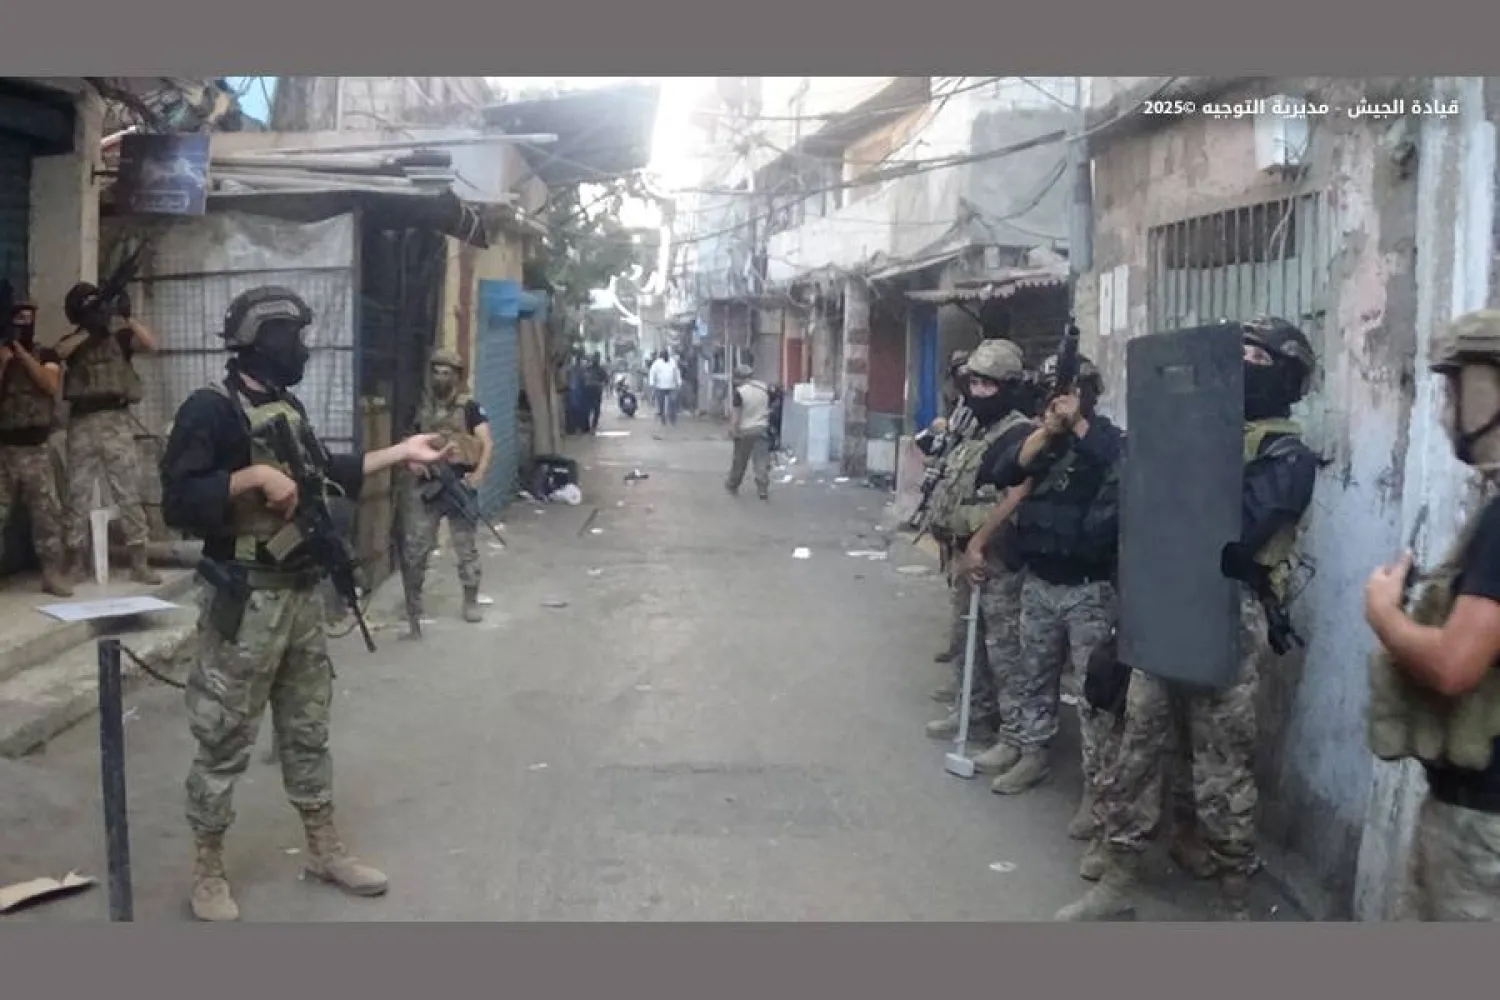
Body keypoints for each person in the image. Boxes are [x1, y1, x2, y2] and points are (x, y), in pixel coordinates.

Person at [159, 285, 450, 922]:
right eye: (295, 337)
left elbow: (325, 474)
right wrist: (252, 477)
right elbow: (179, 500)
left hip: (298, 599)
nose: (305, 349)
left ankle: (323, 848)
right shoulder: (211, 410)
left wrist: (402, 453)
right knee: (224, 738)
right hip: (246, 604)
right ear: (265, 340)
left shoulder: (286, 408)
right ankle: (207, 869)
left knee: (308, 732)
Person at [1059, 317, 1319, 922]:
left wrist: (1180, 459)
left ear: (1287, 376)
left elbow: (1233, 530)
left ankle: (1234, 896)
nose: (1245, 362)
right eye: (1241, 352)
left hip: (1231, 609)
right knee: (1138, 743)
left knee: (1221, 766)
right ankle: (1120, 874)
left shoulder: (1286, 455)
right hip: (1166, 598)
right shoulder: (1195, 433)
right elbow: (1136, 498)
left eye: (1259, 355)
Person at [1364, 309, 1500, 922]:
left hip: (1483, 826)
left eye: (1455, 388)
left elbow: (1454, 667)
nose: (1448, 409)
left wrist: (1384, 615)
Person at [976, 352, 1125, 803]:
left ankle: (1096, 796)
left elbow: (1119, 469)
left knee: (1093, 695)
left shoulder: (1109, 440)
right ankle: (1030, 752)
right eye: (1056, 393)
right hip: (1039, 582)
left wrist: (1078, 424)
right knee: (1032, 676)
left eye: (1072, 393)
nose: (1061, 400)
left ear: (1090, 396)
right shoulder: (1044, 441)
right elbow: (1002, 471)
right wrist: (1047, 431)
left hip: (1088, 589)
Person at [922, 339, 1036, 752]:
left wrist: (980, 545)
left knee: (1003, 651)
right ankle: (972, 711)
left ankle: (1013, 736)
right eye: (976, 383)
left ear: (1007, 387)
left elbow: (1016, 496)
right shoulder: (974, 426)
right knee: (967, 640)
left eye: (990, 385)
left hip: (997, 557)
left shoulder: (1021, 432)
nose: (979, 392)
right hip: (966, 551)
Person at [55, 281, 162, 585]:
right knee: (77, 494)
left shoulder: (121, 338)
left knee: (128, 490)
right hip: (82, 422)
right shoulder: (75, 340)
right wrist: (89, 329)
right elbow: (59, 352)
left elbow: (151, 345)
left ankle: (139, 561)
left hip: (116, 419)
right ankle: (75, 560)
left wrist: (126, 317)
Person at [400, 347, 494, 634]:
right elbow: (406, 443)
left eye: (447, 373)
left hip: (458, 485)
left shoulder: (470, 407)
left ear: (457, 376)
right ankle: (413, 609)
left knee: (466, 549)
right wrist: (414, 463)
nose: (441, 378)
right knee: (416, 549)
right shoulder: (420, 407)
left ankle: (470, 600)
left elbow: (487, 444)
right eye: (436, 372)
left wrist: (477, 476)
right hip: (427, 487)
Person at [0, 301, 71, 595]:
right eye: (17, 319)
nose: (23, 323)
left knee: (47, 516)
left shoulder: (46, 354)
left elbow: (50, 384)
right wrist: (4, 361)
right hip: (4, 450)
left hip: (37, 448)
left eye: (28, 319)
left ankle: (51, 574)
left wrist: (20, 352)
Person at [725, 365, 772, 501]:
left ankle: (733, 484)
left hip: (744, 431)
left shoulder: (740, 392)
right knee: (761, 461)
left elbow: (736, 414)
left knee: (740, 460)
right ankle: (762, 488)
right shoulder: (764, 389)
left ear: (740, 378)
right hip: (762, 428)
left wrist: (733, 430)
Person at [649, 350, 681, 426]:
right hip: (660, 386)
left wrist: (679, 382)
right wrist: (652, 383)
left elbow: (677, 372)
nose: (666, 357)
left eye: (667, 356)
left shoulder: (672, 362)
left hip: (671, 386)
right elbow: (652, 372)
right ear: (662, 356)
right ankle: (662, 417)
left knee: (672, 402)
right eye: (664, 356)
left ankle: (673, 419)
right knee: (661, 403)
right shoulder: (657, 363)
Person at [583, 352, 608, 433]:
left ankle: (593, 427)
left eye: (597, 358)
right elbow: (583, 379)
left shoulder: (601, 370)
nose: (595, 359)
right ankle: (587, 427)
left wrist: (600, 384)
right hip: (588, 392)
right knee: (587, 410)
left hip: (597, 392)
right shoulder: (588, 368)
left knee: (596, 410)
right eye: (595, 357)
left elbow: (606, 380)